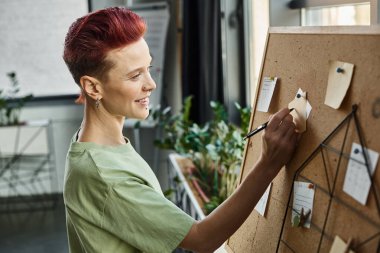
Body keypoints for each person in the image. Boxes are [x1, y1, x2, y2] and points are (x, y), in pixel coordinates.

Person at [62, 7, 298, 253]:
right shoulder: (103, 174)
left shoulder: (97, 144)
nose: (151, 84)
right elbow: (202, 239)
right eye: (134, 76)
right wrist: (269, 163)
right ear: (92, 87)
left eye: (148, 68)